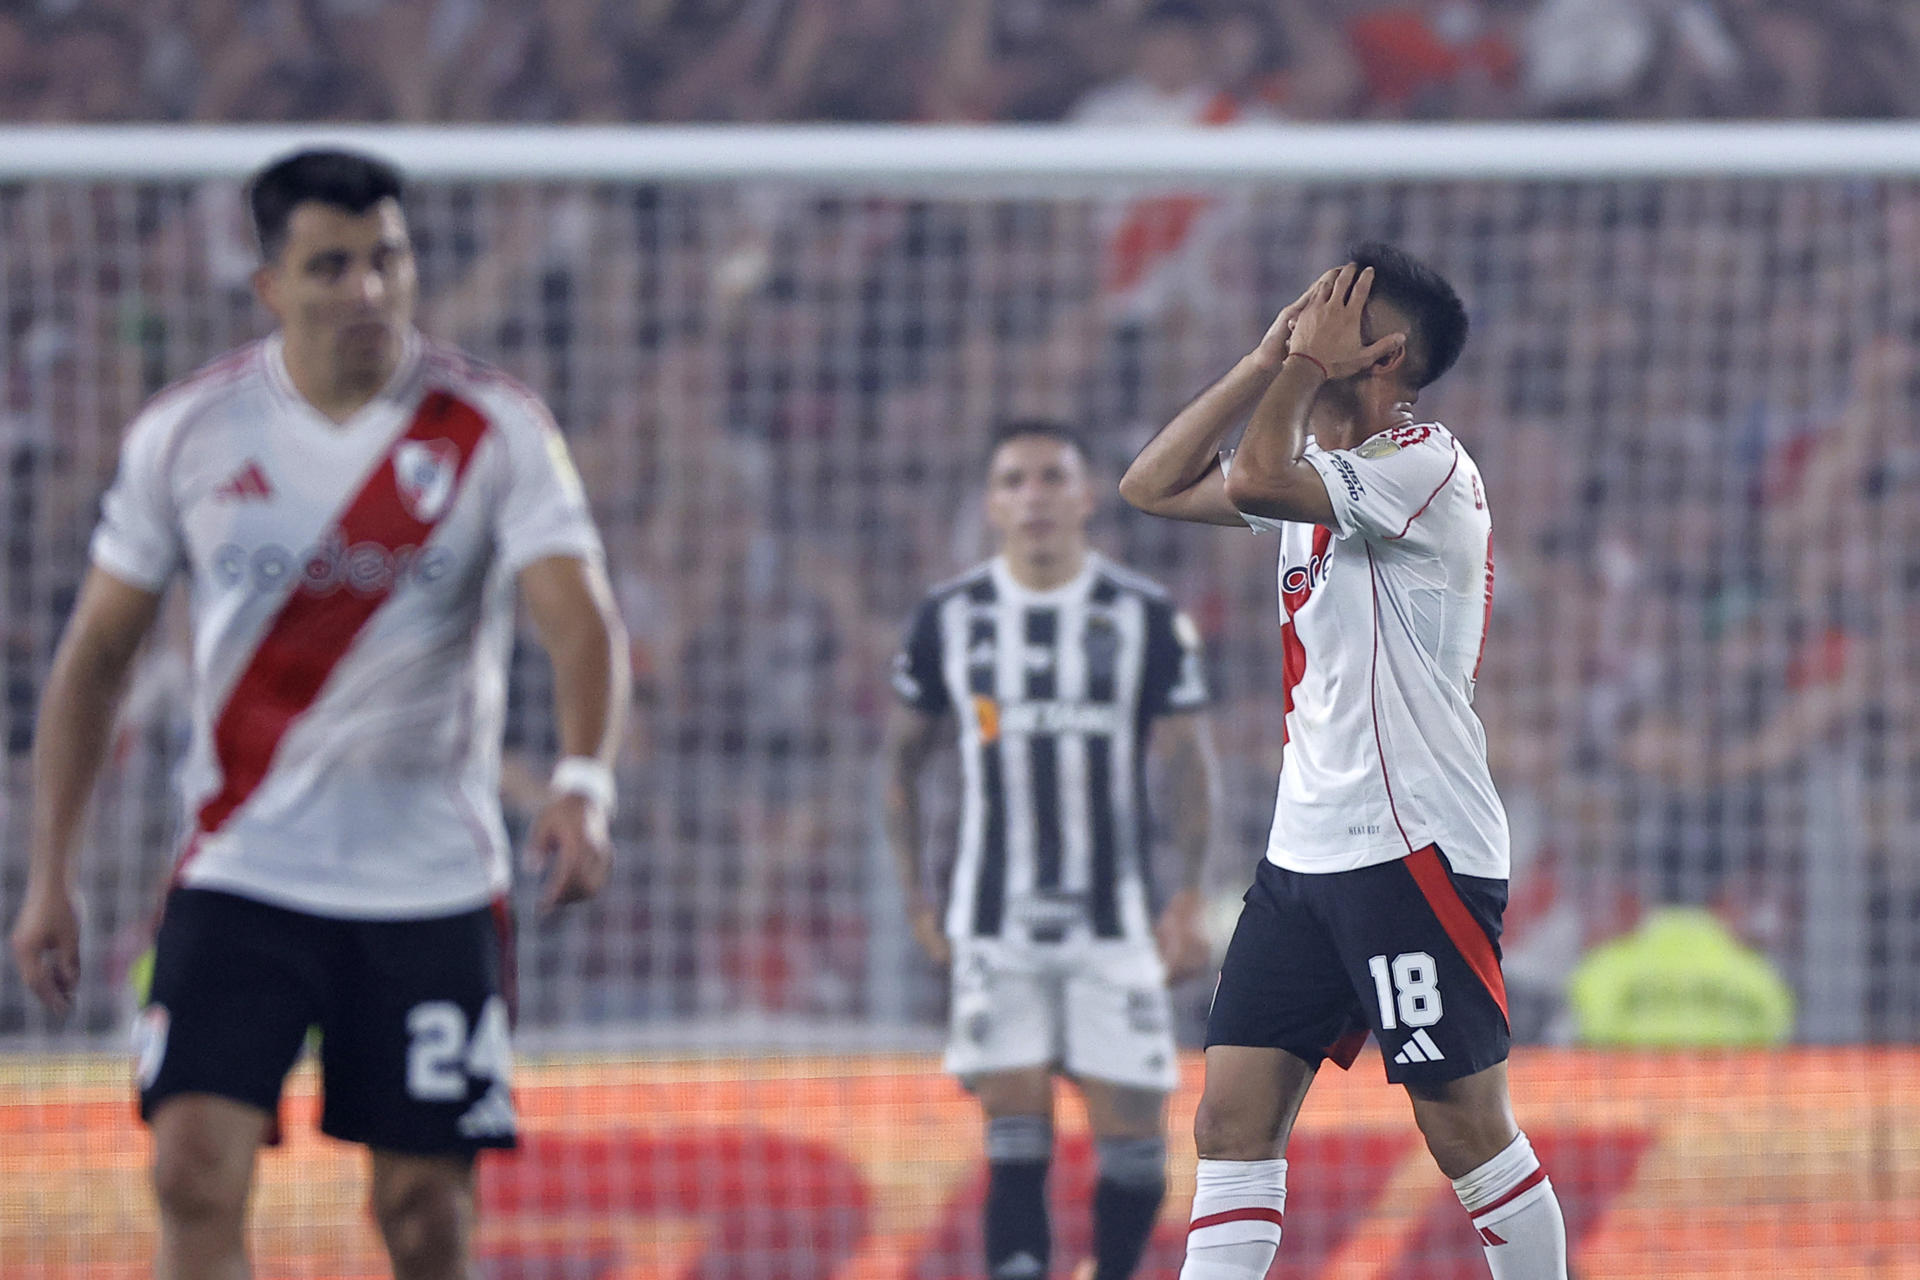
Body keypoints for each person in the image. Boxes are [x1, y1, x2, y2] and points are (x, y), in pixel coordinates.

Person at [8, 149, 628, 1280]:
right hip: (243, 869)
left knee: (426, 1212)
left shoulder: (493, 429)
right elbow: (96, 656)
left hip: (431, 882)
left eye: (387, 260)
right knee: (192, 1168)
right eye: (331, 266)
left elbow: (582, 623)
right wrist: (52, 867)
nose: (367, 292)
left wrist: (586, 784)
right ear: (270, 287)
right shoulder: (190, 433)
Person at [1119, 245, 1570, 1279]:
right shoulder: (1317, 477)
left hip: (1411, 838)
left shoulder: (1426, 469)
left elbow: (1256, 474)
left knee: (1463, 1127)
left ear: (1383, 351)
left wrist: (1293, 376)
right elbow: (1151, 483)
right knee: (1230, 1120)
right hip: (1303, 851)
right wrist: (1261, 358)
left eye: (1330, 308)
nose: (1303, 314)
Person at [884, 420, 1218, 1280]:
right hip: (995, 920)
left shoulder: (1142, 616)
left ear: (1083, 497)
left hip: (1118, 923)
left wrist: (1190, 896)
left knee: (1137, 1137)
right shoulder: (950, 619)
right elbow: (901, 764)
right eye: (1015, 481)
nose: (1033, 495)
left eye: (1050, 478)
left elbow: (1187, 763)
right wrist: (918, 902)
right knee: (1015, 1132)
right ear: (993, 505)